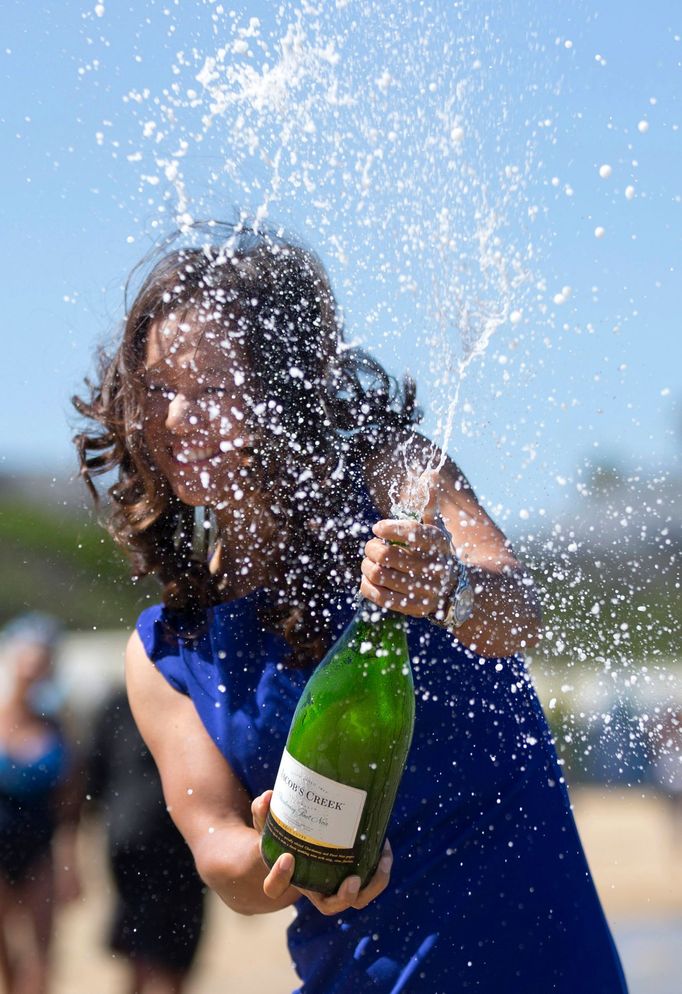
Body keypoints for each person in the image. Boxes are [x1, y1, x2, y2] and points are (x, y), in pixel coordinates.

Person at [73, 224, 629, 993]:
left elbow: (521, 613)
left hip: (537, 958)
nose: (175, 421)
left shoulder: (395, 480)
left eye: (213, 390)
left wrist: (446, 592)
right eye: (159, 388)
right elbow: (221, 858)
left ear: (280, 386)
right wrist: (282, 853)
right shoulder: (168, 652)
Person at [86, 684, 205, 994]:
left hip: (188, 851)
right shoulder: (116, 703)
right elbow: (93, 777)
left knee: (176, 959)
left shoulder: (196, 696)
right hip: (134, 853)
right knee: (142, 956)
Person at [0, 613, 81, 994]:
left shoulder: (58, 727)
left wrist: (70, 862)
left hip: (40, 850)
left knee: (42, 957)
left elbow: (69, 803)